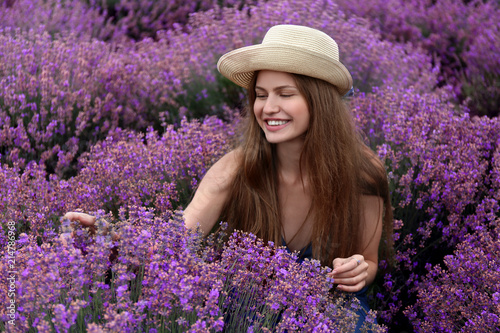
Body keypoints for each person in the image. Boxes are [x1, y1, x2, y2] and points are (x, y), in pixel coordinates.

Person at [64, 24, 393, 330]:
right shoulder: (236, 167)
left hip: (330, 310)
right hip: (254, 309)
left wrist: (358, 270)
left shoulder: (363, 174)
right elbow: (179, 236)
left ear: (319, 102)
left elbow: (368, 260)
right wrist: (113, 236)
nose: (268, 107)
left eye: (286, 93)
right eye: (261, 95)